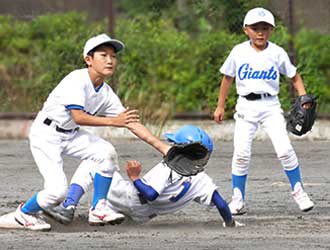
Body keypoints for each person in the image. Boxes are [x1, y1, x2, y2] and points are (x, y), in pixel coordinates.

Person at [14, 33, 170, 231]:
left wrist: (163, 148)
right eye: (103, 55)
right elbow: (79, 116)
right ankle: (24, 213)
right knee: (56, 192)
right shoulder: (76, 80)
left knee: (105, 153)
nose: (110, 60)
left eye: (113, 56)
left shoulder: (104, 92)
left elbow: (130, 122)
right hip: (46, 134)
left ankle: (99, 208)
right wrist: (115, 121)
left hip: (70, 134)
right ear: (88, 59)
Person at [213, 7, 314, 215]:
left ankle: (299, 191)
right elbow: (227, 79)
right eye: (255, 28)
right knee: (241, 153)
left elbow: (294, 76)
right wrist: (220, 105)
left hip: (270, 106)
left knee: (285, 149)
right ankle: (238, 199)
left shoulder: (277, 52)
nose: (260, 32)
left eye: (265, 28)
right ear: (246, 30)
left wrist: (303, 98)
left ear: (272, 30)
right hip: (246, 106)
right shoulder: (238, 51)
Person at [46, 125, 244, 227]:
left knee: (92, 162)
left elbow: (150, 194)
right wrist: (230, 223)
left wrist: (134, 177)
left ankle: (68, 206)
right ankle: (102, 212)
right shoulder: (203, 180)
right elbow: (221, 203)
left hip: (131, 197)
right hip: (143, 216)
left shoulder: (168, 169)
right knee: (111, 209)